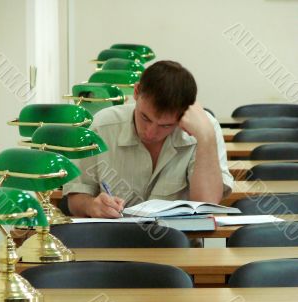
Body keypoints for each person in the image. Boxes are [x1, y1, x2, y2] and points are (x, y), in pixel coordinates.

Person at [63, 60, 233, 218]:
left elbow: (207, 203)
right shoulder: (102, 127)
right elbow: (75, 199)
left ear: (185, 113)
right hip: (113, 241)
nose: (151, 133)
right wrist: (92, 206)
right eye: (145, 118)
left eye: (165, 126)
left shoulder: (204, 130)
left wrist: (205, 137)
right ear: (136, 92)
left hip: (178, 243)